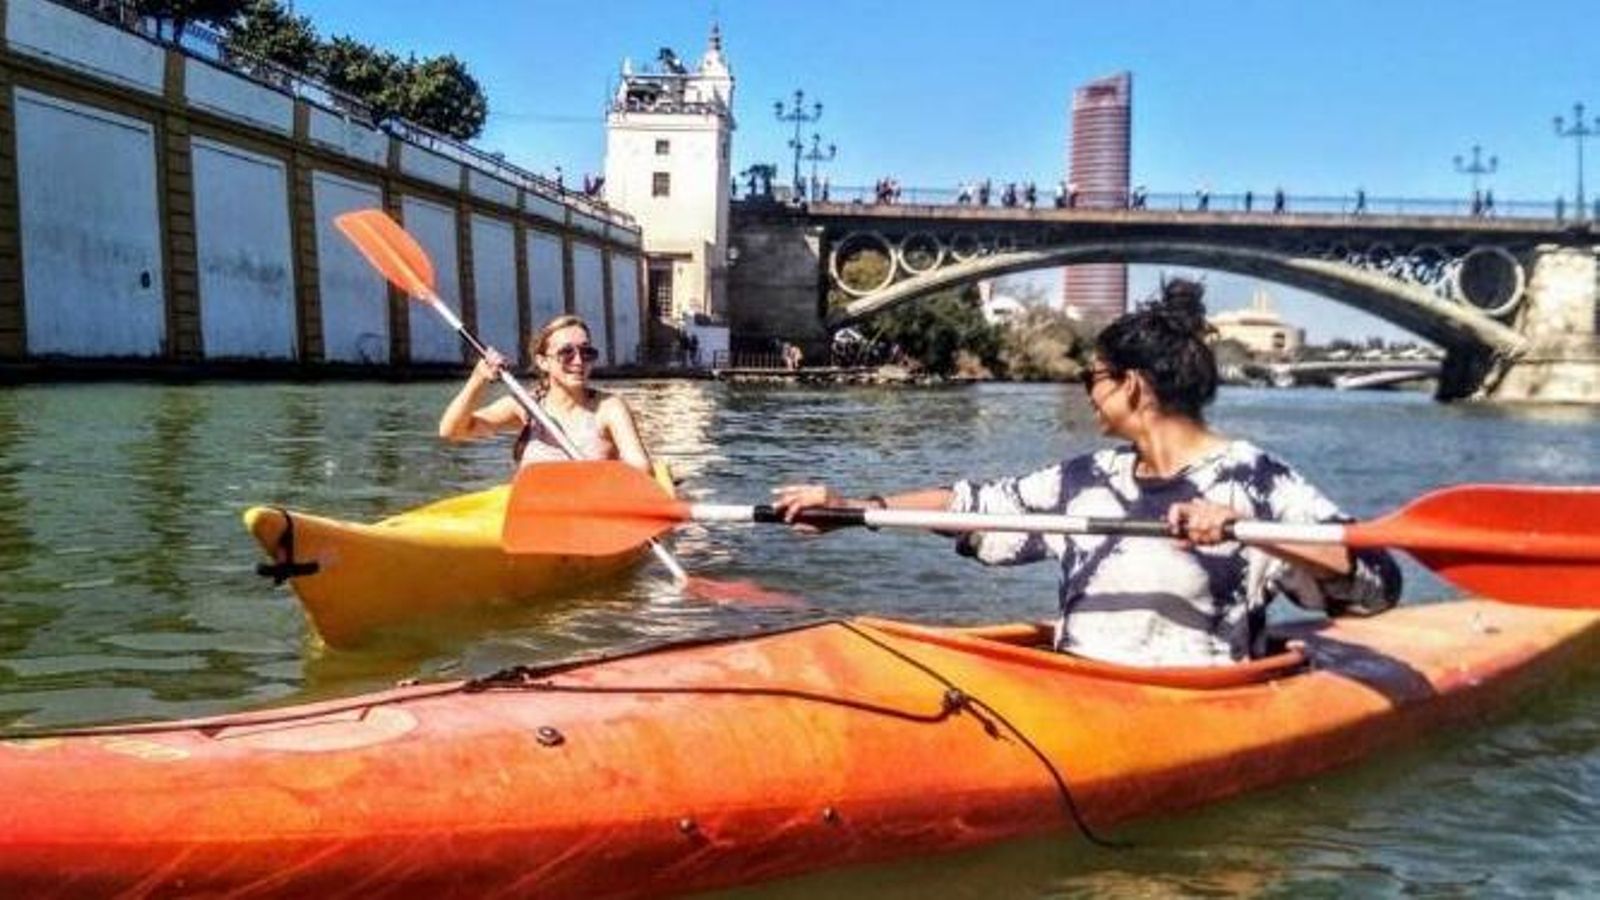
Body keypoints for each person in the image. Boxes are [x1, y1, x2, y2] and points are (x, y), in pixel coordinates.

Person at [772, 279, 1401, 669]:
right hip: (1080, 694)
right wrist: (854, 508)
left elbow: (1377, 584)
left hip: (1200, 705)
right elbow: (972, 505)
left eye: (1091, 379)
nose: (1087, 394)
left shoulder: (1255, 481)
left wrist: (1249, 531)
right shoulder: (1086, 479)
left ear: (1131, 384)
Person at [438, 314, 652, 471]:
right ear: (543, 362)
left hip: (589, 517)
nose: (578, 361)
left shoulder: (609, 408)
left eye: (587, 352)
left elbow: (641, 468)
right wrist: (478, 380)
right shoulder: (526, 406)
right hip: (536, 515)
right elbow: (452, 431)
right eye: (566, 353)